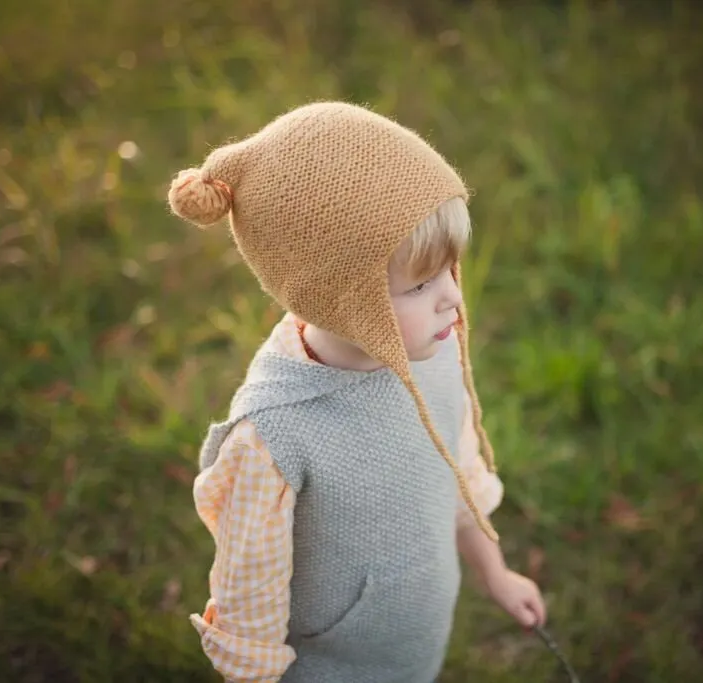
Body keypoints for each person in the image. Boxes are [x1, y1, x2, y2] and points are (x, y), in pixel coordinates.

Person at [167, 101, 546, 683]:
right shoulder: (275, 435)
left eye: (451, 269)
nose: (451, 298)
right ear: (337, 295)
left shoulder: (435, 354)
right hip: (332, 667)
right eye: (419, 283)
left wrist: (496, 574)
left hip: (415, 642)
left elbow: (456, 471)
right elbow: (250, 595)